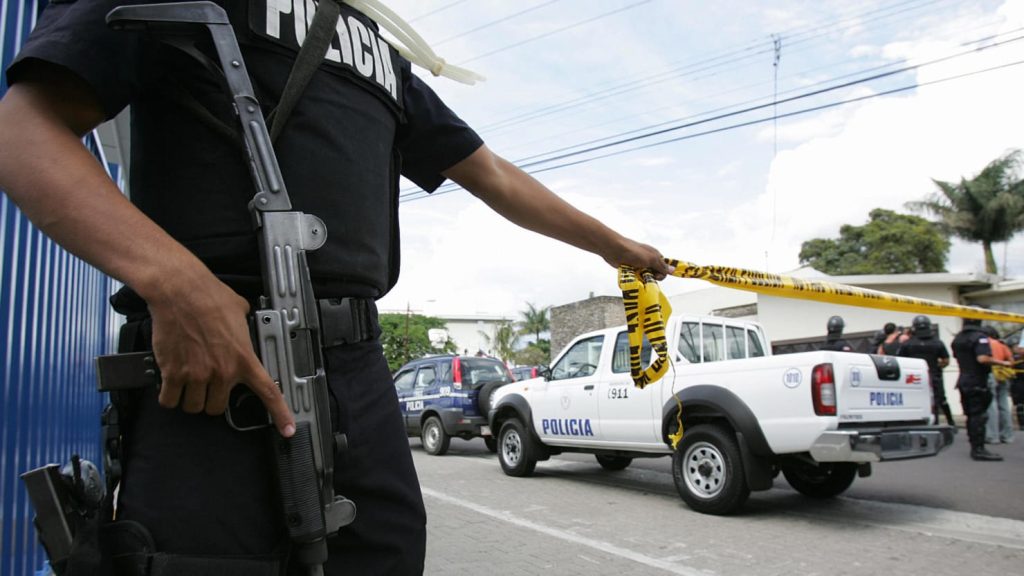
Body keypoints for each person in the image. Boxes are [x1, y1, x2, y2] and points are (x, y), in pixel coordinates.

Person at [0, 1, 672, 574]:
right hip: (215, 365)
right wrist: (173, 281)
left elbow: (491, 174)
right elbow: (23, 132)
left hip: (357, 370)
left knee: (387, 554)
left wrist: (616, 248)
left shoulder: (379, 49)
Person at [951, 318, 1012, 461]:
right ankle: (979, 449)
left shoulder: (958, 338)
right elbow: (982, 359)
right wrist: (1003, 363)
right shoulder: (980, 338)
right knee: (979, 415)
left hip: (963, 379)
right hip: (977, 380)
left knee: (971, 415)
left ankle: (975, 446)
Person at [896, 315, 954, 427]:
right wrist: (937, 366)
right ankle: (949, 423)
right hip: (933, 375)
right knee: (939, 400)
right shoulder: (937, 342)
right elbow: (946, 360)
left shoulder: (907, 344)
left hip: (914, 378)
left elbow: (900, 361)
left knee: (915, 401)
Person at [983, 327, 1015, 444]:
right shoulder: (1002, 344)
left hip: (990, 373)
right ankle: (1007, 435)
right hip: (1003, 374)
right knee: (1004, 405)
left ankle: (992, 435)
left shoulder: (984, 343)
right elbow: (1011, 361)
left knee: (991, 405)